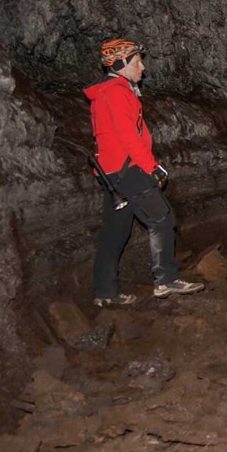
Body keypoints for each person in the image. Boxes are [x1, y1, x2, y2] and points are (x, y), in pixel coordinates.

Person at [84, 38, 204, 306]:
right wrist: (152, 167)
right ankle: (167, 280)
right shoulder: (116, 92)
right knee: (162, 218)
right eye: (137, 62)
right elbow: (129, 137)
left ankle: (106, 293)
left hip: (113, 172)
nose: (143, 67)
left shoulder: (107, 92)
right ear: (122, 63)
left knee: (115, 231)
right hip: (130, 170)